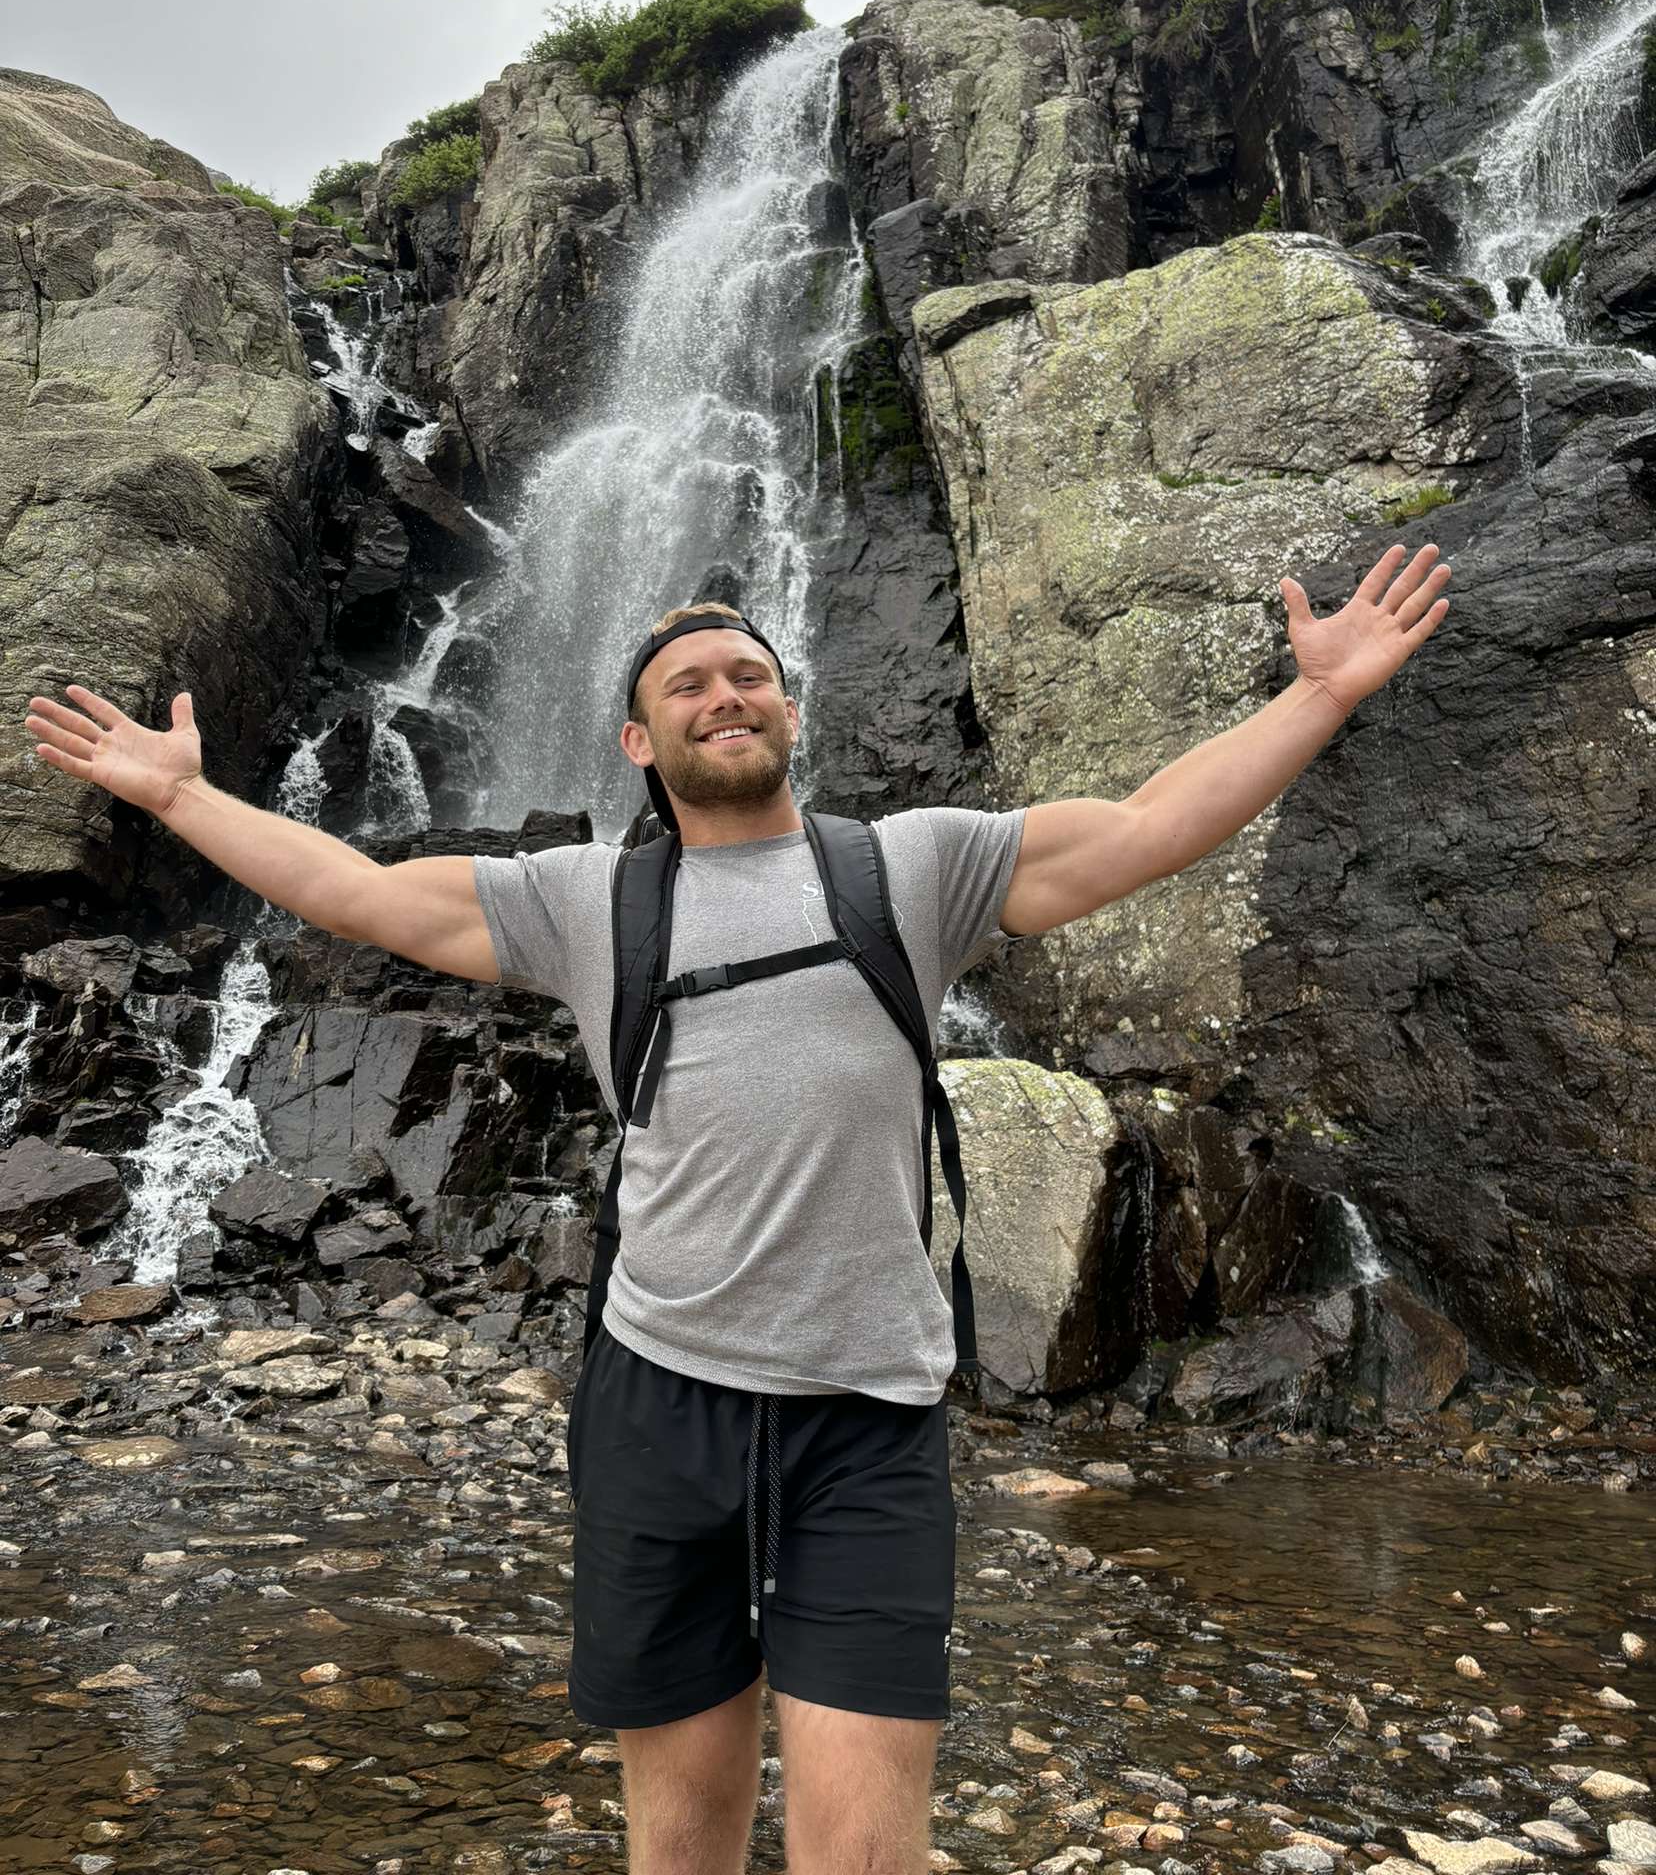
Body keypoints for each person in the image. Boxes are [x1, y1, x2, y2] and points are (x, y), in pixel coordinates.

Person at [23, 540, 1450, 1875]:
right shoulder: (586, 901)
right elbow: (357, 889)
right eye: (687, 684)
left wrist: (1317, 695)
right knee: (680, 1838)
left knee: (862, 1846)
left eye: (749, 672)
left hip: (867, 1419)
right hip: (660, 1403)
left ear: (789, 705)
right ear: (640, 744)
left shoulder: (913, 865)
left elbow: (1146, 827)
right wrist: (177, 797)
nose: (725, 693)